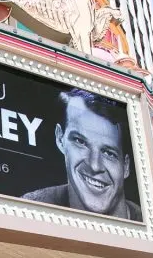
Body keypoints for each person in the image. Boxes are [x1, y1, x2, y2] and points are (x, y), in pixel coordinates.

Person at [22, 88, 142, 220]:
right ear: (60, 138)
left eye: (109, 153)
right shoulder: (29, 208)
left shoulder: (149, 224)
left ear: (126, 166)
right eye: (80, 142)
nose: (94, 165)